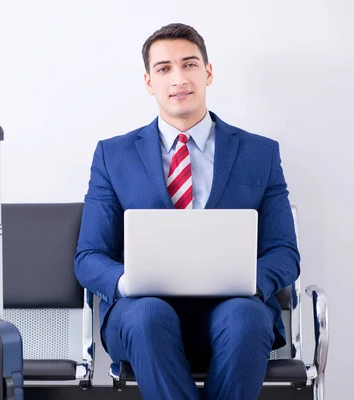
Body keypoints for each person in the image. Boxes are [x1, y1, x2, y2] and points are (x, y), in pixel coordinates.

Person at [74, 23, 300, 400]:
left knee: (246, 317)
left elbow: (284, 253)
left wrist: (248, 281)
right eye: (163, 68)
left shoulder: (260, 153)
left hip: (232, 312)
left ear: (208, 72)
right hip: (142, 315)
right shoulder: (113, 156)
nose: (178, 78)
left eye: (189, 64)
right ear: (149, 81)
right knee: (149, 315)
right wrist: (128, 283)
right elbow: (89, 257)